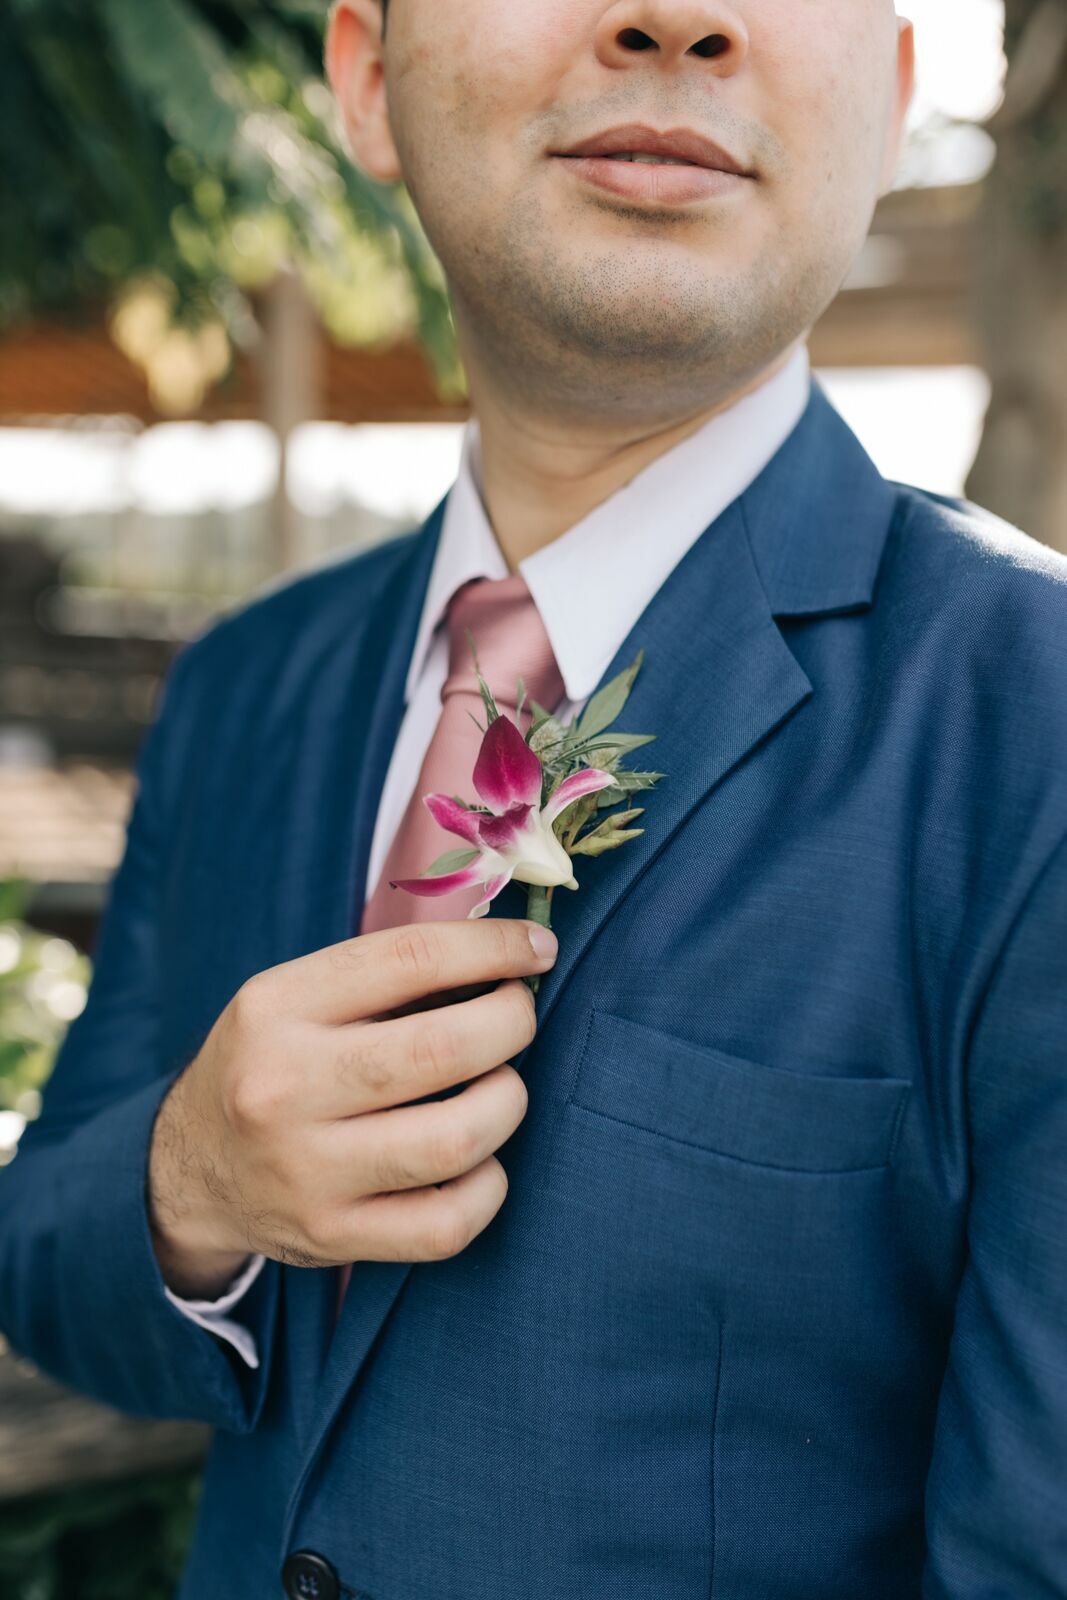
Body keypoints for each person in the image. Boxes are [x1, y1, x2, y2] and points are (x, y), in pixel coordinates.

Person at [2, 1, 1065, 1596]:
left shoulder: (1030, 724)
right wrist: (193, 1181)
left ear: (897, 93)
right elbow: (46, 1248)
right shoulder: (244, 687)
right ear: (365, 78)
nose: (680, 16)